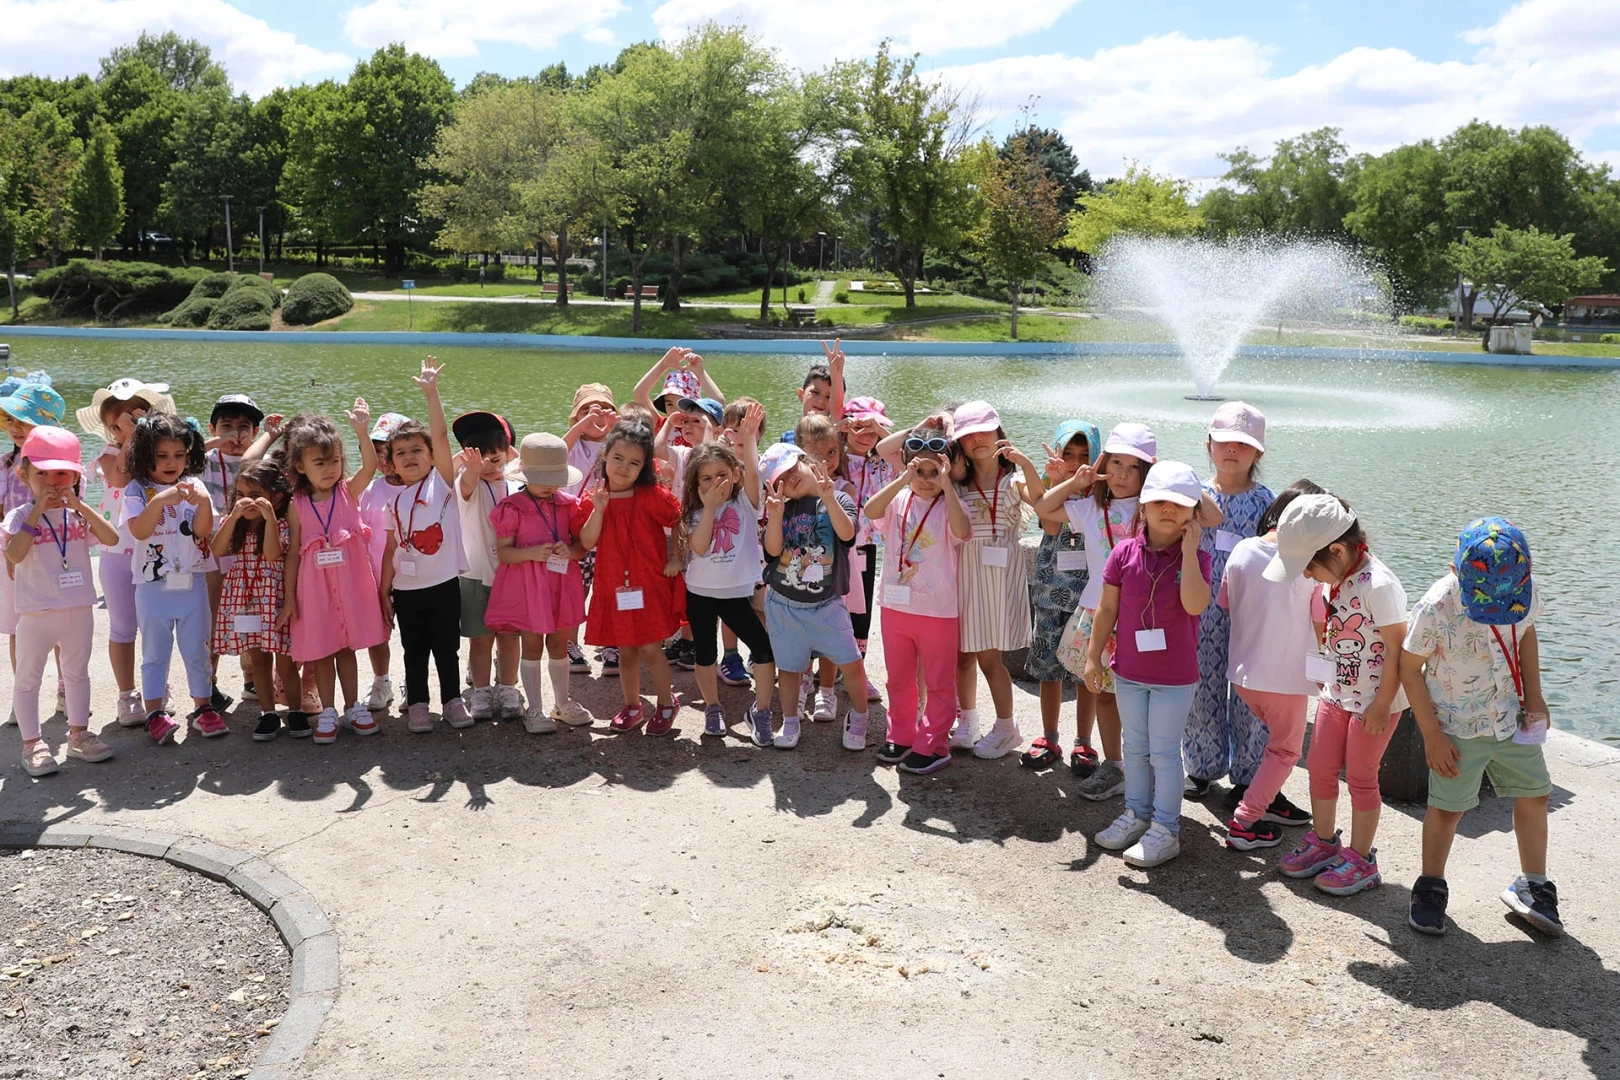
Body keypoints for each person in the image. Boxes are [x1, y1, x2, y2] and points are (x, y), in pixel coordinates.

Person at [1403, 517, 1561, 937]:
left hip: (1510, 716)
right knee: (1448, 806)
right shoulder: (1436, 605)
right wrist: (1432, 735)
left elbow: (1526, 634)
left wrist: (1535, 695)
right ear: (1455, 571)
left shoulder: (1522, 589)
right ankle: (1430, 886)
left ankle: (1534, 884)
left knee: (1536, 793)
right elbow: (1409, 668)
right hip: (1456, 726)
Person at [1266, 494, 1408, 896]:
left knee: (1361, 777)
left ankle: (1362, 859)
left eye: (1310, 566)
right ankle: (1325, 840)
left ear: (1337, 550)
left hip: (1374, 701)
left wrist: (1383, 704)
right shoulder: (1335, 578)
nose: (1308, 575)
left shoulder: (1379, 585)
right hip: (1337, 693)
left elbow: (1397, 648)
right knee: (1320, 767)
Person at [1085, 461, 1214, 868]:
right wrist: (1092, 656)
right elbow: (1106, 609)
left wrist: (1189, 552)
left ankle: (1166, 829)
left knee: (1164, 753)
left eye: (1179, 504)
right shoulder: (1123, 553)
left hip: (1174, 678)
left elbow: (1195, 605)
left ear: (1194, 513)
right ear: (1143, 507)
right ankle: (1137, 814)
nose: (1168, 509)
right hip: (1129, 671)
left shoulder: (1200, 559)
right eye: (1159, 501)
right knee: (1135, 748)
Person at [1034, 422, 1156, 800]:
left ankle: (1146, 765)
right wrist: (1074, 481)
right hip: (1097, 610)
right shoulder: (1090, 507)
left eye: (1133, 466)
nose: (1121, 474)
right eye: (1115, 463)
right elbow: (1043, 507)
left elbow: (1208, 516)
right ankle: (1114, 765)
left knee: (1142, 698)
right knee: (1103, 691)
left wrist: (1165, 481)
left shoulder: (1154, 508)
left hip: (1144, 617)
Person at [3, 427, 120, 774]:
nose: (52, 482)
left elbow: (112, 538)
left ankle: (79, 734)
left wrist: (80, 505)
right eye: (42, 474)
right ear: (24, 475)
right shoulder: (19, 516)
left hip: (78, 608)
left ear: (76, 477)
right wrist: (36, 512)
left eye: (62, 474)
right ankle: (32, 744)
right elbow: (15, 554)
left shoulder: (78, 515)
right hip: (36, 612)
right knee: (28, 679)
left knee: (77, 674)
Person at [862, 417, 972, 771]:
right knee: (898, 678)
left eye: (933, 472)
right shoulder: (899, 498)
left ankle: (935, 743)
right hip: (896, 607)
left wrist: (946, 485)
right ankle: (901, 735)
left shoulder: (950, 503)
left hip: (937, 610)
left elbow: (962, 531)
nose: (926, 480)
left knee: (939, 681)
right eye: (919, 472)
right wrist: (902, 478)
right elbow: (870, 510)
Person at [1219, 481, 1325, 850]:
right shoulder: (1309, 563)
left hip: (1243, 675)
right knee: (1284, 751)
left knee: (1272, 746)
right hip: (1286, 680)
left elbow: (1225, 603)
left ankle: (1263, 801)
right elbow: (1321, 622)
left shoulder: (1242, 549)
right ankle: (1245, 821)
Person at [280, 402, 387, 743]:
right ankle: (328, 710)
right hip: (315, 591)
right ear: (300, 465)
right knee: (323, 650)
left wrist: (361, 430)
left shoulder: (347, 491)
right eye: (320, 463)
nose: (330, 469)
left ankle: (352, 706)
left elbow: (370, 466)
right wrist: (289, 597)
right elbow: (293, 554)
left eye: (335, 460)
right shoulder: (296, 505)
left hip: (351, 586)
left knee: (346, 648)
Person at [1185, 402, 1275, 801]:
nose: (1232, 450)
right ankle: (1201, 766)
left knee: (1249, 695)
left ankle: (1248, 775)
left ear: (1258, 453)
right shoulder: (1193, 496)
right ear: (1208, 445)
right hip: (1202, 608)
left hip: (1251, 612)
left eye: (1243, 444)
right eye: (1223, 442)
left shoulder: (1268, 503)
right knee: (1201, 688)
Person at [76, 377, 176, 727]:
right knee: (122, 626)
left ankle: (158, 686)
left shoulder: (160, 459)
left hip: (156, 549)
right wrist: (131, 436)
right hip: (117, 552)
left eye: (134, 419)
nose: (124, 429)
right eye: (116, 425)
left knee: (157, 625)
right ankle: (127, 693)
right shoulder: (108, 455)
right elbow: (119, 478)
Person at [379, 358, 471, 733]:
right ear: (391, 465)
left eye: (417, 449)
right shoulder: (392, 503)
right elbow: (390, 551)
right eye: (401, 453)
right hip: (406, 589)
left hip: (444, 583)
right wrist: (383, 591)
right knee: (413, 650)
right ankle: (418, 704)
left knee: (447, 649)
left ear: (432, 456)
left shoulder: (442, 483)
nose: (410, 457)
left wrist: (431, 393)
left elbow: (442, 435)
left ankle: (452, 701)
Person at [575, 418, 684, 733]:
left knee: (650, 647)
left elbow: (678, 520)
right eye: (618, 458)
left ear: (644, 467)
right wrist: (599, 508)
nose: (623, 467)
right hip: (614, 585)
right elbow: (587, 541)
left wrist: (675, 557)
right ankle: (633, 705)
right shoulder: (596, 497)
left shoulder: (652, 495)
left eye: (634, 463)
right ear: (605, 456)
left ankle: (666, 703)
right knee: (626, 649)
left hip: (649, 583)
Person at [948, 401, 1043, 759]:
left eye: (984, 431)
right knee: (962, 654)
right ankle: (968, 721)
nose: (977, 439)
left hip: (999, 580)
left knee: (990, 657)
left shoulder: (1014, 480)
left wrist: (1028, 464)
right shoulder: (957, 484)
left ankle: (1006, 727)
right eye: (968, 434)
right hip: (966, 573)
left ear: (998, 432)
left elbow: (1041, 502)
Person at [760, 441, 869, 750]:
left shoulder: (839, 497)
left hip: (827, 605)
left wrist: (829, 497)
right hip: (784, 605)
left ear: (806, 461)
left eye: (792, 469)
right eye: (781, 479)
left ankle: (860, 718)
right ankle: (790, 720)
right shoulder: (782, 508)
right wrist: (775, 516)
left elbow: (847, 534)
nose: (790, 479)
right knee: (789, 668)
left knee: (852, 663)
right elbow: (772, 551)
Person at [679, 411, 778, 741]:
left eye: (722, 474)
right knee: (706, 654)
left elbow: (753, 471)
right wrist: (709, 507)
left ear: (735, 475)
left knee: (764, 651)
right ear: (696, 483)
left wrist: (748, 438)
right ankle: (713, 707)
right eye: (706, 478)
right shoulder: (695, 511)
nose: (715, 483)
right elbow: (700, 547)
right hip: (700, 593)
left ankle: (761, 711)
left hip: (736, 593)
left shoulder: (747, 502)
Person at [485, 433, 593, 734]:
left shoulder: (569, 504)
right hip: (529, 588)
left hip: (560, 584)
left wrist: (570, 550)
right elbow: (504, 552)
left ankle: (562, 702)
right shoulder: (512, 507)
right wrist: (531, 553)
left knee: (559, 643)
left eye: (555, 479)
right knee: (531, 645)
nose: (549, 485)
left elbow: (581, 545)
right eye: (542, 479)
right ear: (525, 475)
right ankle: (535, 708)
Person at [121, 412, 217, 744]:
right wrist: (161, 500)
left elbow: (203, 532)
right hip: (152, 587)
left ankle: (203, 707)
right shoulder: (137, 489)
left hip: (193, 581)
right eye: (162, 455)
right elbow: (139, 531)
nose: (171, 462)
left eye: (178, 455)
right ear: (145, 455)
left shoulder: (196, 486)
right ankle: (154, 713)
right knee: (154, 652)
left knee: (197, 648)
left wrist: (203, 502)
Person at [1023, 420, 1101, 772]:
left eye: (1085, 454)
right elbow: (1051, 524)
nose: (1076, 462)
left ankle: (1084, 741)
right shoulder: (1047, 485)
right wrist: (1061, 481)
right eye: (1068, 453)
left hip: (1089, 595)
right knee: (1048, 668)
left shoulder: (1102, 493)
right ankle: (1049, 736)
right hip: (1050, 589)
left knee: (1086, 672)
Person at [210, 458, 300, 741]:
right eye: (241, 494)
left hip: (274, 598)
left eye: (256, 495)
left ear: (277, 497)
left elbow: (272, 554)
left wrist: (269, 518)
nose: (247, 501)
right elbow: (217, 550)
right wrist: (233, 516)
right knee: (258, 660)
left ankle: (295, 711)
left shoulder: (282, 523)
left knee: (285, 662)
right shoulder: (235, 523)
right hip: (245, 601)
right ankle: (268, 712)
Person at [1, 375, 68, 726]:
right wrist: (7, 554)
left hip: (55, 554)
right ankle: (22, 695)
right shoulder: (4, 465)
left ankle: (66, 690)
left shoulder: (65, 467)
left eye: (23, 420)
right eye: (10, 419)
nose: (15, 427)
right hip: (16, 555)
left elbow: (74, 512)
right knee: (19, 628)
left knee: (62, 626)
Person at [452, 409, 522, 721]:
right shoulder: (469, 484)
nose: (490, 468)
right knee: (480, 640)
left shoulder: (516, 484)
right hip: (475, 575)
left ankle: (508, 688)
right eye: (483, 461)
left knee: (509, 638)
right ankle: (481, 692)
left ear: (509, 454)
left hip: (511, 575)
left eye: (497, 459)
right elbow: (467, 480)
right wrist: (471, 468)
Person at [201, 393, 265, 711]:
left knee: (251, 613)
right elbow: (182, 455)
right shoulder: (203, 462)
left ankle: (251, 678)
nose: (236, 435)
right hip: (213, 551)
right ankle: (208, 682)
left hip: (251, 551)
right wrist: (216, 443)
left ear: (255, 433)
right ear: (212, 429)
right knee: (211, 617)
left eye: (244, 428)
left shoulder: (261, 464)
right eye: (226, 427)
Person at [793, 412, 848, 723]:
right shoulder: (792, 490)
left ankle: (826, 691)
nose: (825, 461)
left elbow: (848, 533)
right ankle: (801, 686)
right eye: (816, 454)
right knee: (800, 637)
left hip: (832, 579)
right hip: (799, 579)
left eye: (832, 452)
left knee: (829, 637)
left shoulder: (845, 489)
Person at [838, 395, 895, 687]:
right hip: (835, 543)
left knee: (861, 610)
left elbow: (905, 453)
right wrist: (838, 428)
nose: (865, 435)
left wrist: (879, 429)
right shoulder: (834, 456)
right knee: (830, 605)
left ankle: (857, 670)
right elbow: (808, 442)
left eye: (872, 430)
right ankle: (822, 670)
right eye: (858, 427)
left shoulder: (883, 461)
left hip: (867, 544)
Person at [564, 382, 617, 675]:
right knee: (577, 589)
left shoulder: (618, 442)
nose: (596, 415)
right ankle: (570, 644)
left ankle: (611, 643)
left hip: (612, 529)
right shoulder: (574, 445)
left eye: (604, 409)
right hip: (578, 528)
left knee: (610, 589)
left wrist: (619, 430)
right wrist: (581, 425)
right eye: (587, 409)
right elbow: (554, 454)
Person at [358, 412, 409, 713]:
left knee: (414, 635)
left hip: (414, 577)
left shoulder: (422, 486)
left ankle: (413, 681)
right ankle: (381, 681)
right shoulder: (371, 489)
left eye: (389, 452)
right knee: (377, 634)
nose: (384, 460)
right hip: (376, 576)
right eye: (376, 452)